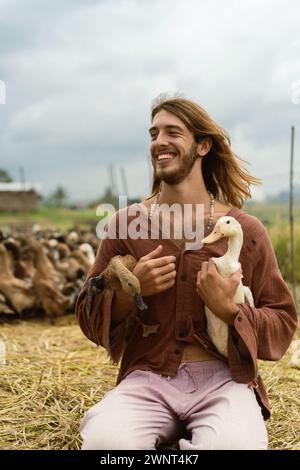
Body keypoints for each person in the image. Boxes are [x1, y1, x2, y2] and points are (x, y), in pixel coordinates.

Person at [75, 96, 298, 450]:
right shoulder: (125, 225)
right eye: (153, 134)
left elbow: (283, 321)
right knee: (105, 444)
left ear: (203, 145)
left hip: (225, 380)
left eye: (173, 132)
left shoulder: (246, 230)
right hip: (147, 378)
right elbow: (87, 314)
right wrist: (130, 293)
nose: (159, 142)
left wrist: (229, 310)